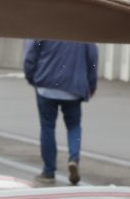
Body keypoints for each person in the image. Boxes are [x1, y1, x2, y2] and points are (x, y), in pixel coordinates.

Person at [23, 38, 98, 184]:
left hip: (46, 85)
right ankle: (74, 158)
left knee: (47, 128)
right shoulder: (84, 31)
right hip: (73, 87)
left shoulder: (45, 28)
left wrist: (31, 76)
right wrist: (91, 84)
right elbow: (92, 57)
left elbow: (31, 53)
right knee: (74, 126)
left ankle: (48, 171)